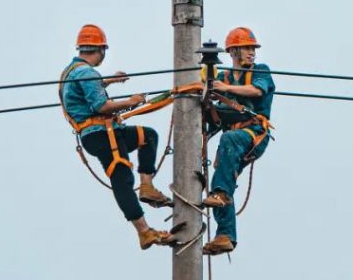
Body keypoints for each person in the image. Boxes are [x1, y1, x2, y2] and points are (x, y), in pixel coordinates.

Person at [59, 24, 175, 250]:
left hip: (95, 134)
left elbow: (84, 90)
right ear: (100, 50)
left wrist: (109, 81)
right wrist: (130, 102)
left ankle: (147, 186)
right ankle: (144, 231)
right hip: (101, 133)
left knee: (146, 136)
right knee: (121, 177)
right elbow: (101, 105)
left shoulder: (72, 71)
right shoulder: (87, 72)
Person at [202, 27, 275, 255]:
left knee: (229, 144)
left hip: (253, 133)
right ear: (233, 51)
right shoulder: (223, 76)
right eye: (247, 48)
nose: (252, 52)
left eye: (253, 48)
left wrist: (226, 88)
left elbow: (256, 91)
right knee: (223, 175)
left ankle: (221, 195)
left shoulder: (260, 71)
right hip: (232, 138)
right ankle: (225, 235)